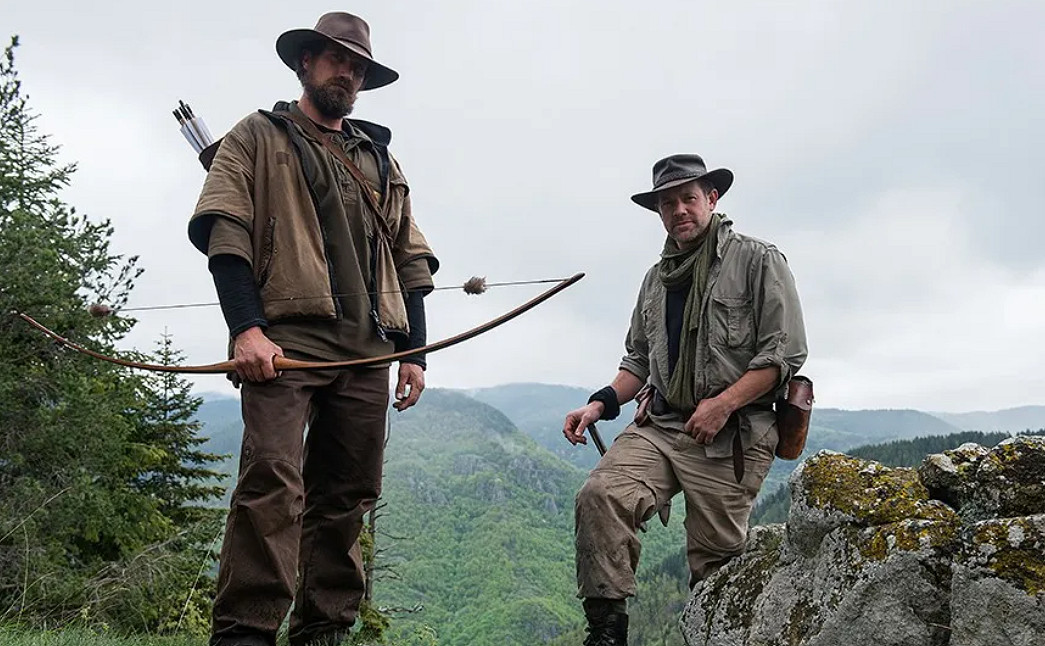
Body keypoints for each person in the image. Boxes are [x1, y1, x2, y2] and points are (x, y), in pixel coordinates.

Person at [187, 12, 438, 646]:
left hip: (367, 351)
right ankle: (245, 633)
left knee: (349, 494)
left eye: (356, 65)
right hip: (283, 345)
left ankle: (324, 630)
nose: (345, 71)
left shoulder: (379, 158)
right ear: (305, 62)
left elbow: (410, 257)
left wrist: (416, 352)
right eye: (334, 57)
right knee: (271, 482)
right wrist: (246, 329)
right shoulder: (257, 137)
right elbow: (226, 232)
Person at [562, 154, 807, 645]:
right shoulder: (656, 280)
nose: (679, 210)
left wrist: (723, 405)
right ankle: (606, 635)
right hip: (664, 425)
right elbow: (637, 360)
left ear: (711, 199)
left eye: (688, 198)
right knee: (600, 495)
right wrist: (600, 404)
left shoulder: (758, 261)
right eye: (667, 202)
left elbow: (783, 355)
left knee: (713, 567)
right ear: (658, 211)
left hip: (732, 434)